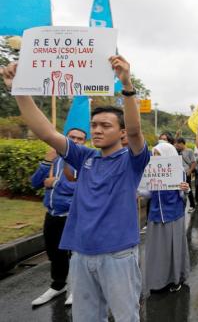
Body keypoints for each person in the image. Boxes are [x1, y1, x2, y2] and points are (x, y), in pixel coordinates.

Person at [3, 56, 149, 321]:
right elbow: (47, 133)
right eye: (94, 125)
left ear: (121, 132)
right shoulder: (85, 157)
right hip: (80, 254)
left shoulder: (132, 160)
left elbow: (137, 131)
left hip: (118, 255)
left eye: (106, 125)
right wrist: (19, 90)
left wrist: (126, 83)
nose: (98, 130)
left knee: (126, 317)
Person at [29, 128, 87, 307]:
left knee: (77, 255)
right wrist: (47, 161)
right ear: (65, 138)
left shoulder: (84, 161)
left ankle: (78, 289)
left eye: (80, 139)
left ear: (84, 142)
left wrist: (56, 183)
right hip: (52, 214)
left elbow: (86, 188)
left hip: (73, 215)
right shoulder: (54, 159)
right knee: (54, 253)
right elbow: (35, 183)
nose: (76, 141)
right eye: (72, 137)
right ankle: (58, 285)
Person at [144, 142, 190, 293]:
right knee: (157, 252)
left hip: (173, 215)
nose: (155, 158)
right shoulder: (150, 170)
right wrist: (136, 192)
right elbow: (148, 193)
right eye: (154, 154)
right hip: (156, 215)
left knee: (174, 250)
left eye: (159, 155)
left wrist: (186, 189)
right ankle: (158, 281)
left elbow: (182, 195)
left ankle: (176, 279)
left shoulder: (179, 172)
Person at [176, 137, 197, 212]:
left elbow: (194, 162)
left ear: (182, 144)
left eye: (178, 145)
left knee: (188, 190)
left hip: (186, 173)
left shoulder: (189, 151)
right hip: (179, 174)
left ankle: (192, 205)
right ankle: (182, 206)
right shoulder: (178, 151)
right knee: (180, 190)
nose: (177, 146)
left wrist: (190, 171)